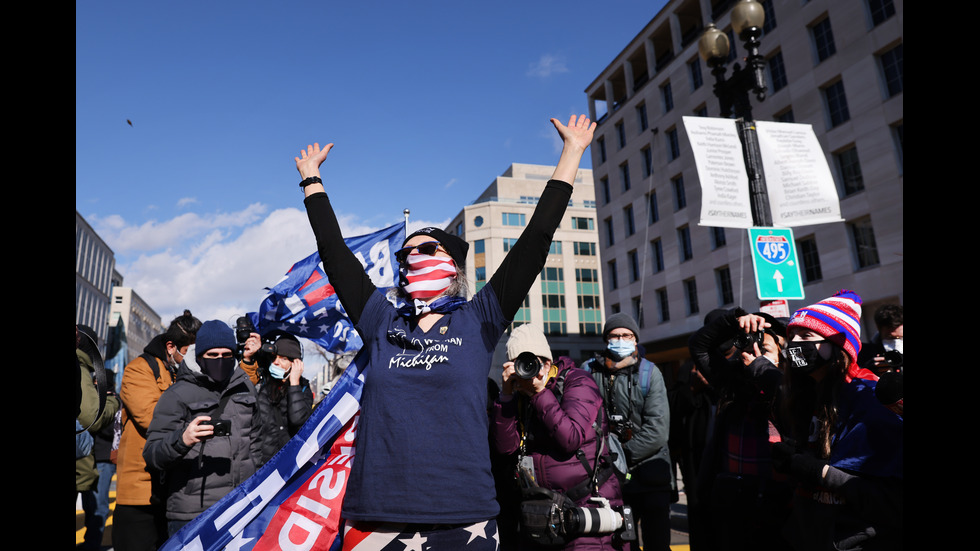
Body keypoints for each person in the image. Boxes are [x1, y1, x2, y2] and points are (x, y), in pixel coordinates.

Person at [295, 113, 596, 549]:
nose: (413, 256)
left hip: (465, 517)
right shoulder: (382, 321)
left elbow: (536, 239)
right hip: (376, 517)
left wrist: (571, 153)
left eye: (427, 248)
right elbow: (335, 254)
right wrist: (311, 181)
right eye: (406, 254)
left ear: (453, 265)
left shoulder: (480, 319)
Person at [777, 290, 903, 550]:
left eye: (806, 336)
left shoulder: (870, 399)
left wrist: (819, 472)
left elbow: (890, 502)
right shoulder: (807, 396)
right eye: (791, 336)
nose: (794, 344)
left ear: (838, 346)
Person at [491, 323, 628, 550]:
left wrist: (539, 393)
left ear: (547, 362)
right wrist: (505, 396)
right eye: (520, 364)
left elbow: (570, 438)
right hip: (544, 512)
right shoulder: (518, 395)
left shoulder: (578, 381)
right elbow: (504, 448)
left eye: (534, 362)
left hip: (587, 506)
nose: (530, 371)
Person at [142, 320, 263, 537]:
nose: (220, 360)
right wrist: (183, 439)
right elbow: (152, 454)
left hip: (241, 507)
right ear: (199, 357)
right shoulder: (177, 395)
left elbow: (257, 446)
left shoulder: (246, 388)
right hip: (192, 515)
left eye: (227, 355)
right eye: (213, 355)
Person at [687, 308, 793, 551]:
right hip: (735, 499)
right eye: (749, 350)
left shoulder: (793, 385)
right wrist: (734, 321)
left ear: (782, 354)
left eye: (764, 351)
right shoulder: (732, 381)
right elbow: (698, 345)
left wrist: (763, 370)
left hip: (781, 499)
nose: (754, 356)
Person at [581, 314, 671, 551]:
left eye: (627, 336)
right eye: (615, 335)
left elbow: (658, 431)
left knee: (657, 543)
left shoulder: (650, 373)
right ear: (606, 339)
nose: (621, 340)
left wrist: (619, 456)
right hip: (610, 480)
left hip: (651, 475)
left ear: (635, 339)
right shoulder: (589, 372)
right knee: (622, 545)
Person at [113, 310, 201, 551]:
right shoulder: (139, 370)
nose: (196, 359)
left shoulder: (186, 374)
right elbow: (153, 419)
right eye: (191, 352)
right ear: (171, 346)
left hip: (175, 491)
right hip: (141, 493)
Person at [76, 325, 121, 549]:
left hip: (96, 459)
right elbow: (90, 416)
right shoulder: (81, 367)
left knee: (97, 507)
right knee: (97, 507)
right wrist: (111, 403)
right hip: (91, 460)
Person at [253, 329, 315, 464]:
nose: (276, 362)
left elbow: (298, 421)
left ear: (295, 363)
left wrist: (294, 383)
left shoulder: (303, 388)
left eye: (283, 358)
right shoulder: (263, 385)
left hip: (291, 463)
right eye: (274, 357)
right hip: (264, 465)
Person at [857, 304, 903, 376]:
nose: (896, 343)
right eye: (890, 338)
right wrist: (867, 373)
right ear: (879, 328)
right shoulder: (863, 354)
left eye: (900, 338)